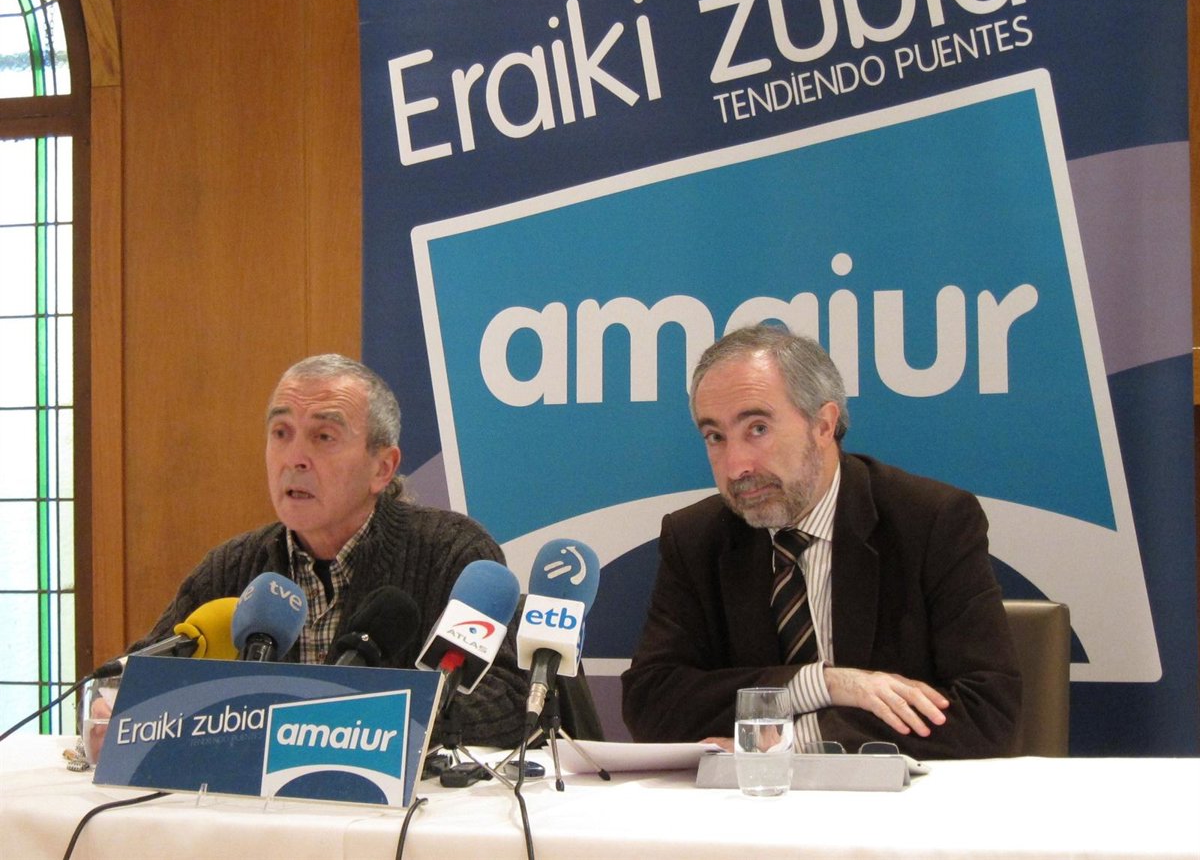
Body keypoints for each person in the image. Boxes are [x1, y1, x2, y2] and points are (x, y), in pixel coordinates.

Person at [621, 326, 1021, 759]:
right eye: (715, 437)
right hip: (747, 801)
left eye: (757, 428)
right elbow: (650, 703)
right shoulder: (696, 538)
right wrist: (820, 684)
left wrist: (793, 741)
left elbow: (986, 711)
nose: (736, 467)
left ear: (823, 425)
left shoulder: (930, 521)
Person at [132, 353, 526, 748]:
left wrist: (340, 728)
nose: (294, 459)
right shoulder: (232, 567)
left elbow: (506, 701)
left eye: (323, 437)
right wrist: (116, 709)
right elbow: (142, 682)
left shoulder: (452, 554)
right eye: (281, 433)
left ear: (382, 468)